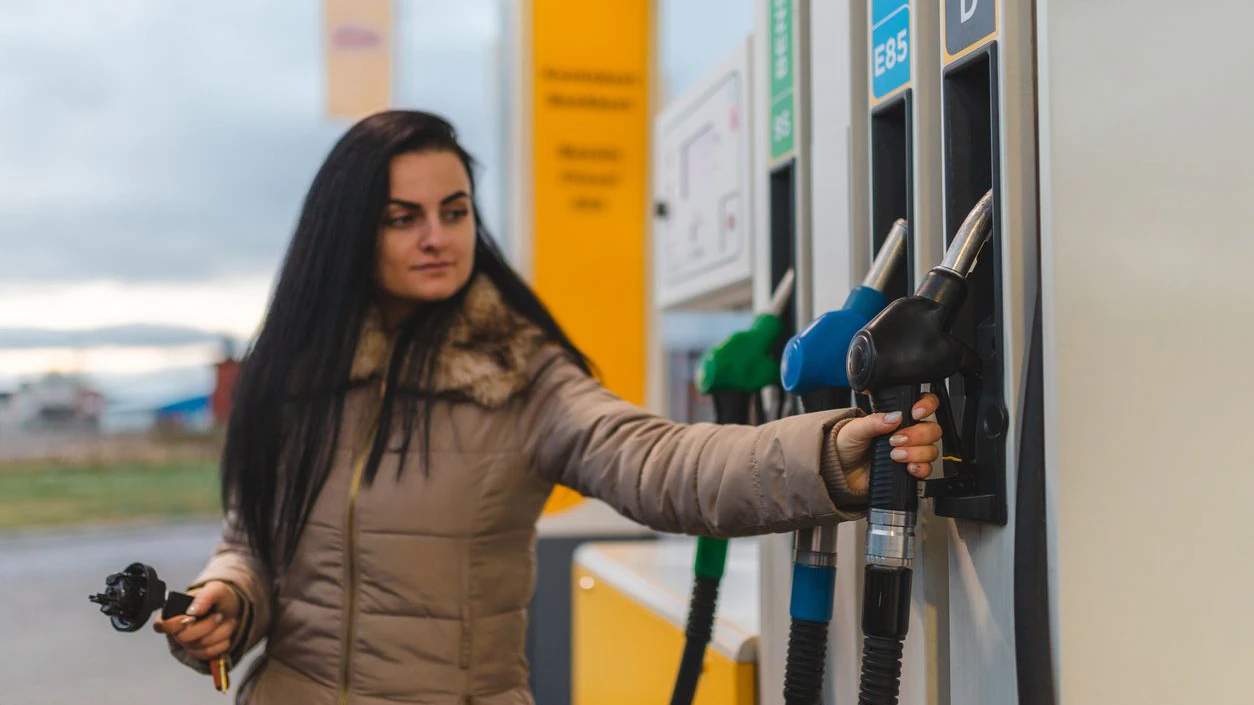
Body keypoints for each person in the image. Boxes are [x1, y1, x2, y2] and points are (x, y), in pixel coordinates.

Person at [154, 110, 942, 705]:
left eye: (454, 211)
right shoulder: (297, 376)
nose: (437, 237)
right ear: (347, 231)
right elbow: (253, 537)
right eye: (403, 217)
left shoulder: (517, 373)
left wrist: (836, 449)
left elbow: (660, 463)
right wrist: (229, 598)